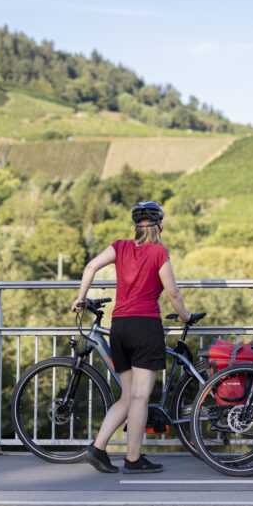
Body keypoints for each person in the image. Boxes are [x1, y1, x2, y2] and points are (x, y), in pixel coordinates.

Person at [72, 201, 192, 474]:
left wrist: (81, 299)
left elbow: (90, 267)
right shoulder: (158, 252)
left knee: (127, 396)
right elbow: (173, 293)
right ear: (160, 226)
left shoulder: (120, 247)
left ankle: (97, 448)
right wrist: (184, 316)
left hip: (120, 327)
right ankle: (134, 459)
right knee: (140, 397)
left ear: (135, 226)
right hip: (145, 327)